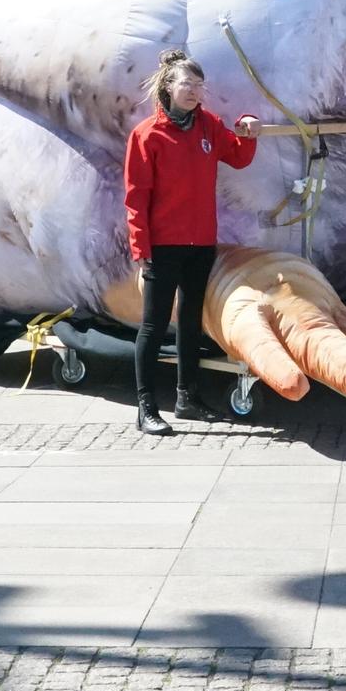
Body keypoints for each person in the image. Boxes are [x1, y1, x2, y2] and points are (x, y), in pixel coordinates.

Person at [123, 49, 261, 436]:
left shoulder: (209, 126)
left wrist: (246, 130)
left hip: (200, 243)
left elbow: (237, 157)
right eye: (188, 84)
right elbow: (135, 197)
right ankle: (147, 406)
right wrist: (141, 248)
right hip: (162, 246)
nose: (195, 92)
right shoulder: (147, 134)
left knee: (189, 321)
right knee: (152, 326)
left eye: (200, 86)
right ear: (169, 86)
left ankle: (187, 397)